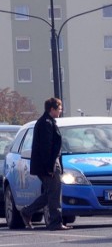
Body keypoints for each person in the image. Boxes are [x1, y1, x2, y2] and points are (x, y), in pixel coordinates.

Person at [20, 97, 71, 231]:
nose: (61, 111)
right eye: (59, 108)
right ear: (52, 109)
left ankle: (27, 211)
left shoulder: (48, 122)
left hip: (50, 164)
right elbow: (46, 148)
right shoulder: (45, 123)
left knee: (50, 193)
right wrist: (50, 167)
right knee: (54, 194)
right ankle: (55, 222)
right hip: (49, 165)